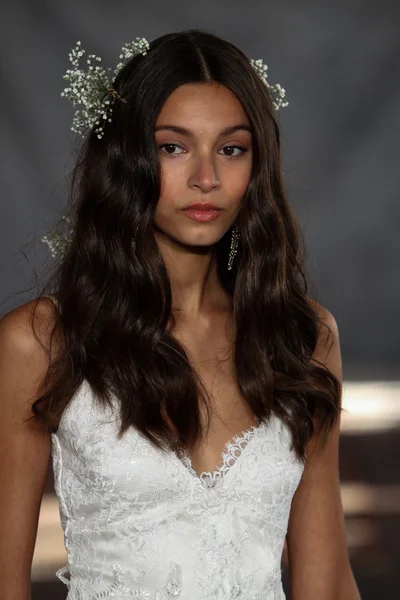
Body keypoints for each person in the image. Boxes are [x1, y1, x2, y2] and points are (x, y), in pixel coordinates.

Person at [0, 28, 360, 600]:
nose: (206, 178)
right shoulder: (40, 344)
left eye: (231, 149)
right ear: (125, 159)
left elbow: (328, 581)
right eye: (173, 146)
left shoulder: (301, 337)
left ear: (256, 166)